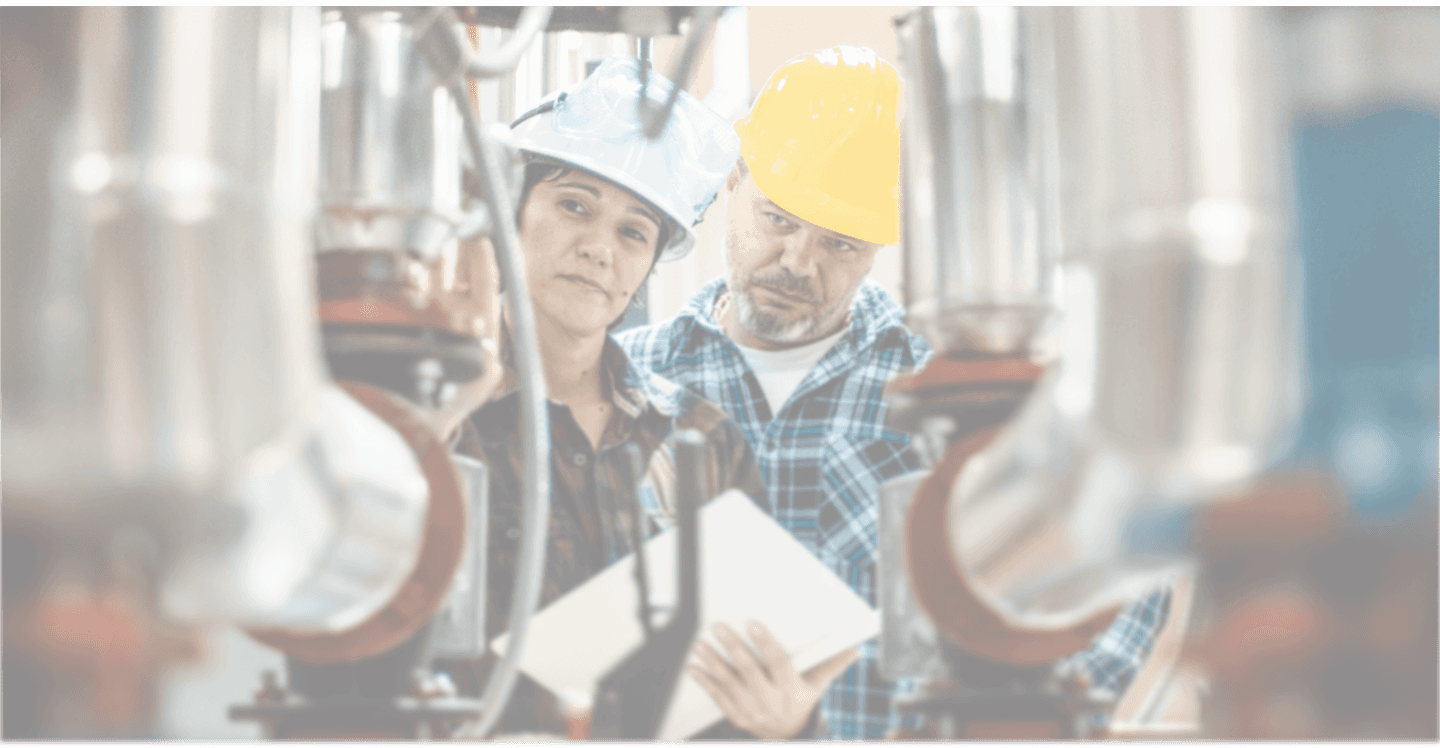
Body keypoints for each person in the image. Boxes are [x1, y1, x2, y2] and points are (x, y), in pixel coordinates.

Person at [618, 46, 1172, 740]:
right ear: (736, 178)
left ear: (881, 245)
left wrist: (1037, 718)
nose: (797, 262)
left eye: (840, 244)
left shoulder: (953, 394)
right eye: (779, 219)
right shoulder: (626, 380)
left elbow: (1130, 561)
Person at [446, 56, 777, 734]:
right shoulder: (441, 420)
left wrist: (786, 720)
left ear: (648, 266)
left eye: (633, 232)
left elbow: (747, 675)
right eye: (575, 206)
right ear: (512, 217)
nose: (601, 248)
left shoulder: (703, 442)